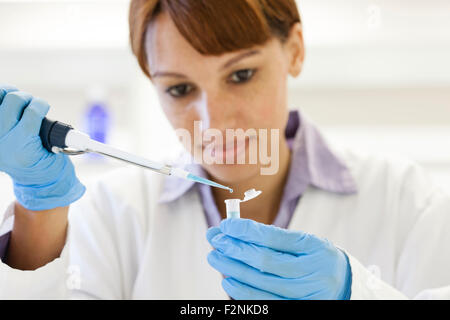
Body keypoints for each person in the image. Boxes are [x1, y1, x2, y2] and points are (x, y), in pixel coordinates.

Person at [1, 0, 450, 300]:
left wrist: (359, 293)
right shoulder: (115, 215)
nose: (214, 121)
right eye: (179, 88)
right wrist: (38, 207)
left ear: (294, 50)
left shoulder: (408, 202)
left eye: (241, 76)